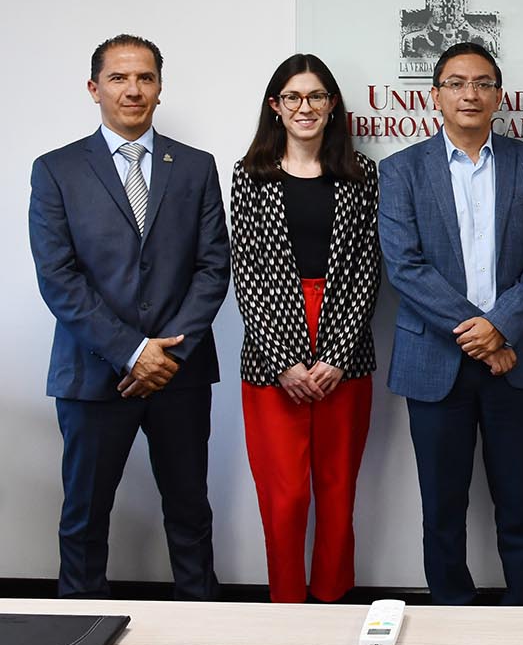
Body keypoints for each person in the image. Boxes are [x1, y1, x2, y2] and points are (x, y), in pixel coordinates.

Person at [29, 34, 230, 599]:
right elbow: (59, 278)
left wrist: (166, 355)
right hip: (93, 376)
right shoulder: (57, 170)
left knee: (190, 513)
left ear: (160, 89)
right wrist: (134, 351)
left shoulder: (194, 167)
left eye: (145, 78)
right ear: (94, 89)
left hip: (179, 375)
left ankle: (201, 627)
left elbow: (213, 267)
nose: (133, 89)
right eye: (118, 78)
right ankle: (78, 632)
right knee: (85, 517)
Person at [378, 41, 523, 605]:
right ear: (435, 95)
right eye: (456, 83)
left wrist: (501, 327)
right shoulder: (402, 170)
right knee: (442, 504)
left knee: (519, 500)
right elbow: (404, 266)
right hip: (435, 363)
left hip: (515, 360)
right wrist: (483, 335)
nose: (470, 94)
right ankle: (450, 611)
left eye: (482, 83)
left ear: (498, 96)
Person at [229, 53, 380, 603]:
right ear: (275, 106)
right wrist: (286, 361)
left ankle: (333, 599)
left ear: (332, 104)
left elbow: (367, 268)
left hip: (345, 347)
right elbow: (247, 272)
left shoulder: (361, 173)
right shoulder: (250, 175)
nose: (305, 107)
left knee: (337, 490)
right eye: (292, 97)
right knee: (286, 495)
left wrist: (336, 354)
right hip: (272, 350)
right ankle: (287, 603)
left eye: (316, 96)